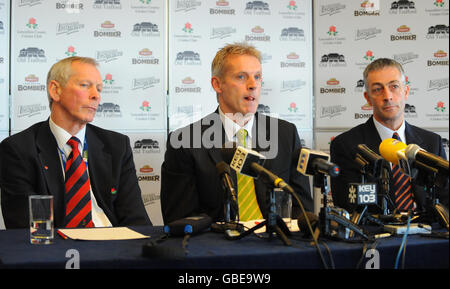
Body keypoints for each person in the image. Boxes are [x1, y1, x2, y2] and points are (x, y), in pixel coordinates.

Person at [161, 43, 312, 224]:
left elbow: (302, 209)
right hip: (218, 248)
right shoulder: (185, 142)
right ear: (217, 84)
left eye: (257, 77)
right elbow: (181, 219)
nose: (252, 85)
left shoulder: (285, 135)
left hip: (276, 244)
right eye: (241, 77)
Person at [0, 56, 151, 229]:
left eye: (99, 89)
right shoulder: (18, 149)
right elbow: (25, 227)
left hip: (113, 244)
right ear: (55, 90)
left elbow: (137, 222)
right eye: (85, 85)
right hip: (55, 249)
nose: (96, 96)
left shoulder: (117, 146)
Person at [330, 58, 448, 214]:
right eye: (378, 89)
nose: (388, 96)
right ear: (367, 98)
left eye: (394, 86)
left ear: (405, 91)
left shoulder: (431, 142)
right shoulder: (346, 145)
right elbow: (348, 205)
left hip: (427, 234)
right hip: (375, 235)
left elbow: (445, 200)